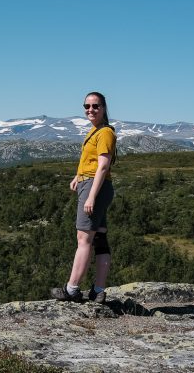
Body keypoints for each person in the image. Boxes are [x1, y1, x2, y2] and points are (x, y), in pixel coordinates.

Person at [51, 91, 116, 304]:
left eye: (95, 106)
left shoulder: (104, 133)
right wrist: (78, 176)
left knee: (84, 239)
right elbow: (91, 163)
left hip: (94, 188)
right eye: (87, 106)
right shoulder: (96, 131)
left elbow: (103, 165)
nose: (91, 110)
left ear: (104, 108)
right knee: (100, 238)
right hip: (93, 185)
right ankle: (98, 291)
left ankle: (72, 289)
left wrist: (91, 196)